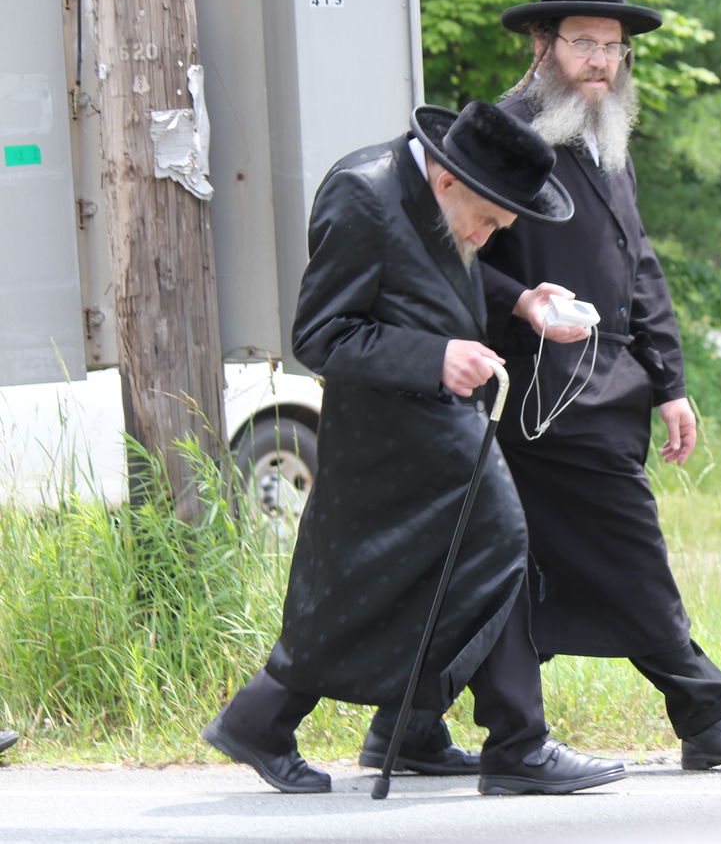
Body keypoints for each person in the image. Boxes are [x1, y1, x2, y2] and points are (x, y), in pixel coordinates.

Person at [202, 100, 626, 796]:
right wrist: (436, 356)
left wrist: (522, 302)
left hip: (434, 418)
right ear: (448, 181)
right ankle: (519, 743)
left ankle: (400, 727)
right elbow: (319, 334)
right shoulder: (362, 195)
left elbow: (440, 274)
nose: (488, 237)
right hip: (389, 428)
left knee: (420, 575)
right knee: (500, 544)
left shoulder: (439, 195)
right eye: (489, 221)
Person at [478, 0, 721, 770]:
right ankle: (704, 710)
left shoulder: (605, 131)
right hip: (545, 395)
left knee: (522, 571)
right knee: (628, 545)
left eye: (614, 47)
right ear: (543, 44)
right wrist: (523, 304)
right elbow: (452, 259)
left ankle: (406, 724)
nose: (602, 62)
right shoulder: (504, 129)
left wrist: (671, 381)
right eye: (585, 42)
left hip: (613, 386)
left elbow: (638, 260)